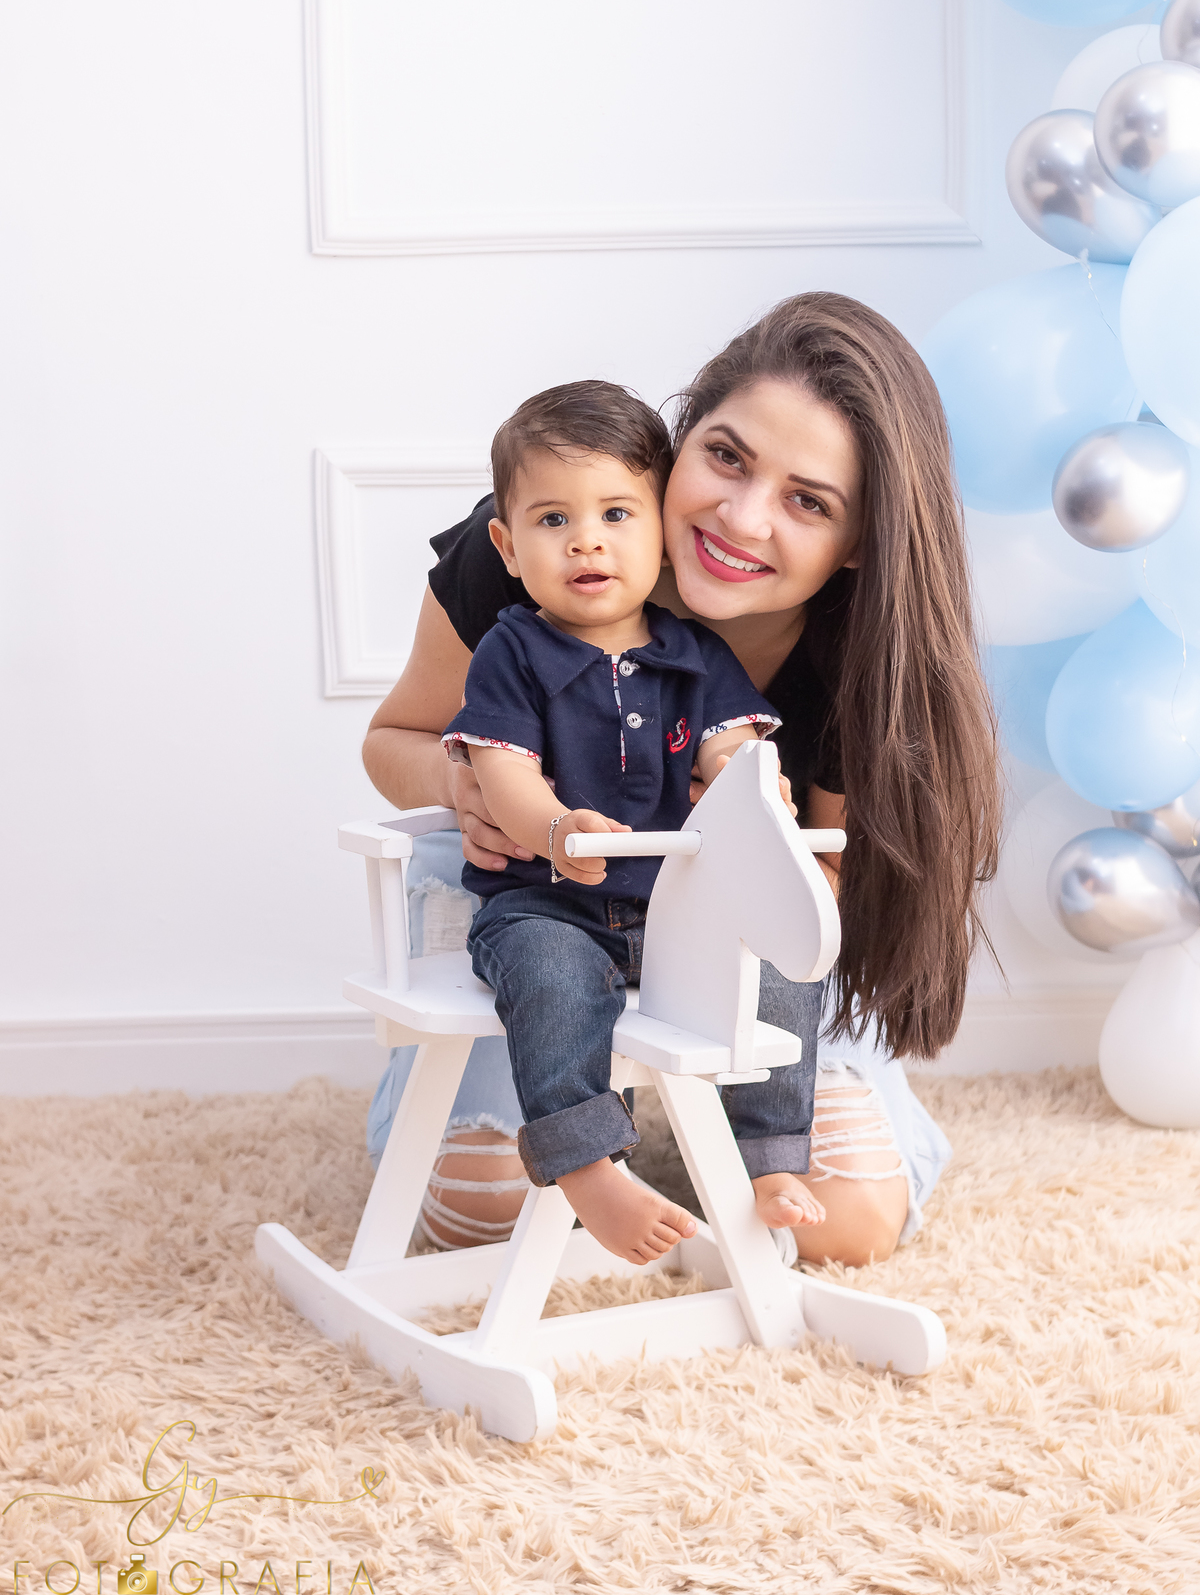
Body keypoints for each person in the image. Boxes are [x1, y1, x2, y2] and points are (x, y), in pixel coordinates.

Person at [363, 291, 1002, 1267]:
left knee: (850, 1223)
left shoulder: (857, 660)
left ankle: (756, 1114)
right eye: (728, 457)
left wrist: (742, 855)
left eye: (808, 501)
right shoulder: (544, 540)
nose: (742, 518)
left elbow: (819, 893)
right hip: (541, 900)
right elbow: (395, 737)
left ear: (860, 542)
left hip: (739, 935)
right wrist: (468, 786)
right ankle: (554, 1102)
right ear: (680, 437)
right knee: (478, 1221)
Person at [443, 380, 825, 1265]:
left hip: (671, 912)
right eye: (551, 521)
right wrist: (553, 830)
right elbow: (500, 766)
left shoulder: (693, 652)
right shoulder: (513, 648)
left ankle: (766, 1156)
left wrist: (747, 781)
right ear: (504, 544)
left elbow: (730, 744)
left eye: (618, 513)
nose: (586, 539)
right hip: (550, 904)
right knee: (550, 979)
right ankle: (586, 1164)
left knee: (775, 970)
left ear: (660, 530)